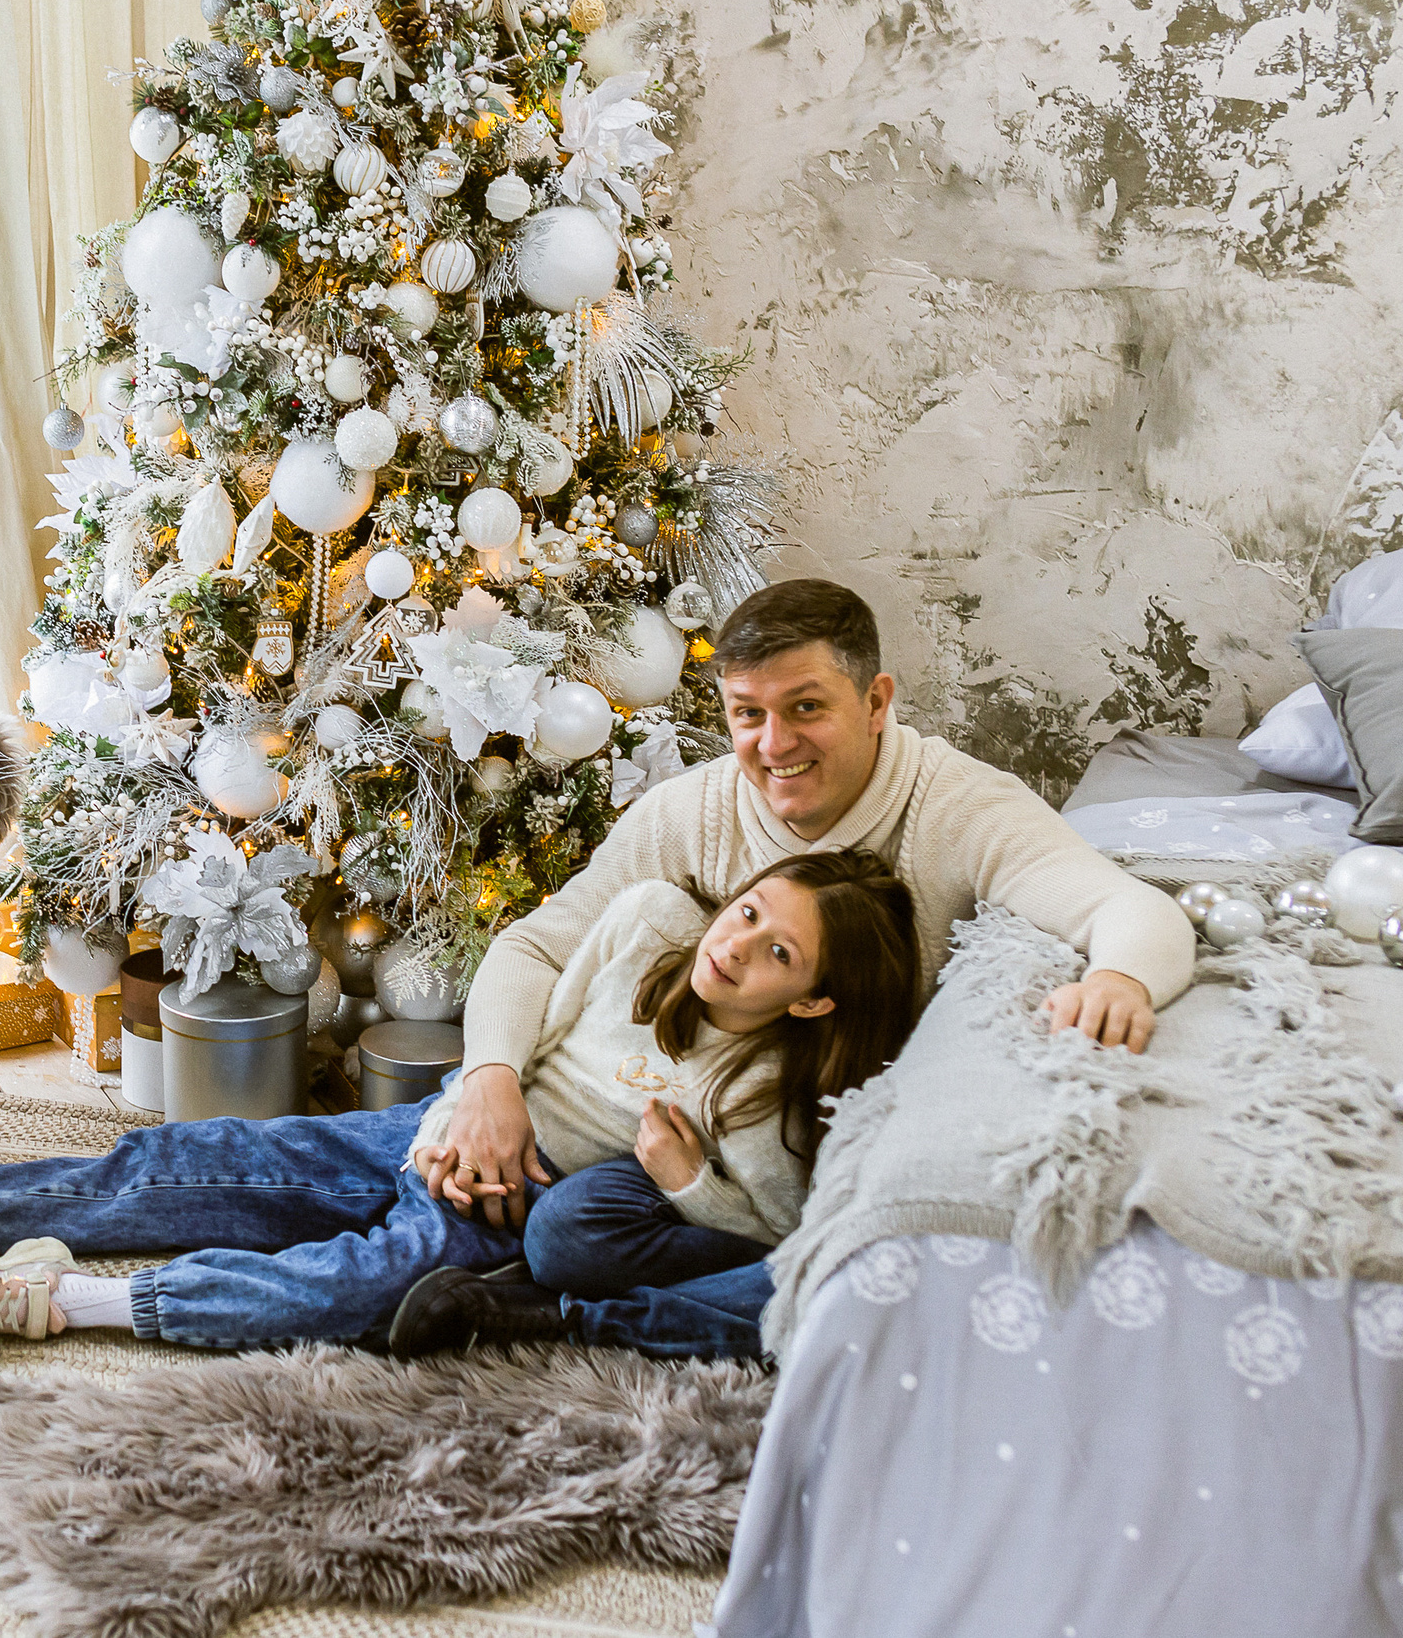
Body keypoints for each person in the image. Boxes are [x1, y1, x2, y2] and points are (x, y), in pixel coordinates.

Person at [385, 576, 1198, 1359]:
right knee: (551, 1224)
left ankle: (564, 1319)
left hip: (818, 1155)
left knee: (870, 1283)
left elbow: (1130, 910)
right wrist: (490, 1078)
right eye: (748, 715)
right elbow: (539, 944)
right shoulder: (689, 810)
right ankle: (572, 1290)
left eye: (807, 708)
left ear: (877, 702)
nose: (774, 746)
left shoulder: (958, 809)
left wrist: (1120, 978)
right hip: (667, 1139)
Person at [0, 852, 920, 1352]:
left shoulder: (771, 1087)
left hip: (498, 1213)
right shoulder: (645, 921)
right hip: (449, 1124)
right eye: (744, 911)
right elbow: (525, 1013)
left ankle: (67, 1303)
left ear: (813, 994)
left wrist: (684, 1183)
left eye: (774, 949)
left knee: (344, 1284)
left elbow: (781, 1227)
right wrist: (466, 1102)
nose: (733, 945)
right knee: (225, 1159)